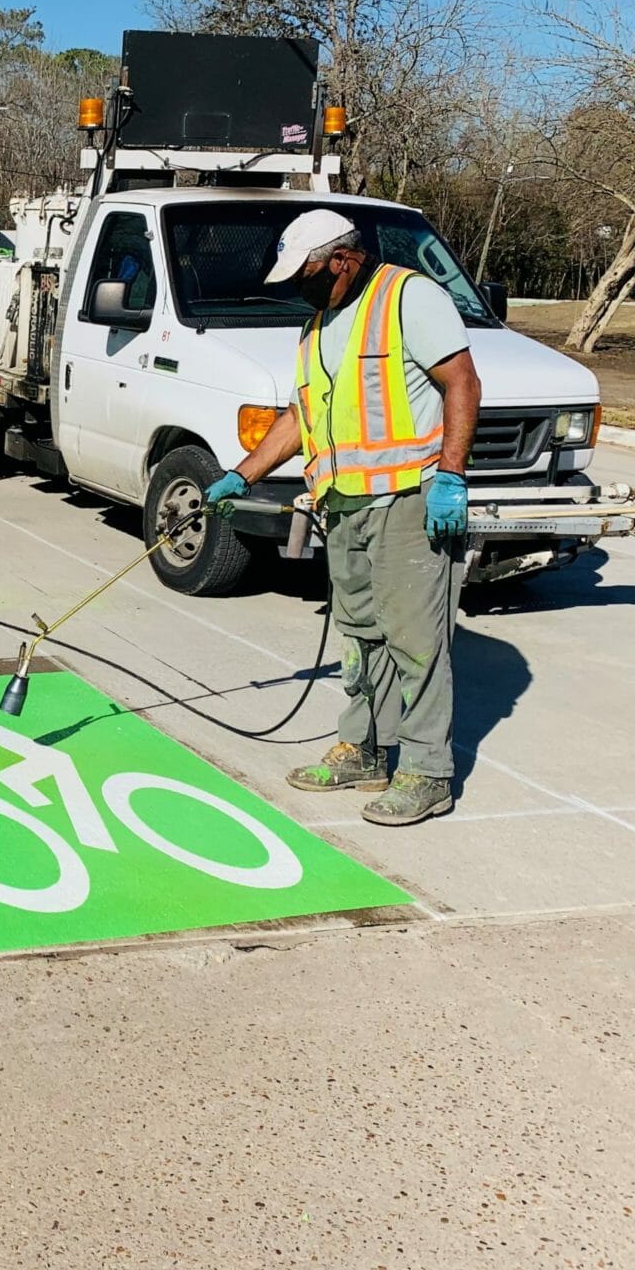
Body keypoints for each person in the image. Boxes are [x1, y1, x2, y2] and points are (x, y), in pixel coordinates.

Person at [210, 209, 482, 826]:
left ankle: (427, 771)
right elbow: (297, 419)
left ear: (343, 259)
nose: (297, 288)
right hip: (345, 507)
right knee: (360, 637)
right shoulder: (315, 326)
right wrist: (243, 473)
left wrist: (451, 475)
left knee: (415, 639)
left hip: (410, 500)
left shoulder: (408, 297)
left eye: (305, 274)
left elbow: (462, 383)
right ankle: (363, 750)